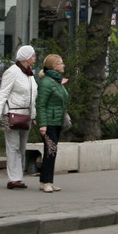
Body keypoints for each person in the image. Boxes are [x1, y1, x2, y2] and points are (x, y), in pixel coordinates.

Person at [0, 44, 38, 190]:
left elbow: (32, 95)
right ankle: (14, 178)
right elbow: (3, 94)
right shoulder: (12, 72)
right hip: (12, 114)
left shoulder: (29, 74)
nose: (35, 58)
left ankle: (19, 176)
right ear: (25, 58)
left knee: (22, 147)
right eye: (32, 56)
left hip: (26, 114)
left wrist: (34, 114)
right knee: (13, 146)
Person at [35, 54, 70, 192]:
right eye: (60, 63)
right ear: (54, 66)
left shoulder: (57, 81)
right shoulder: (46, 82)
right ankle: (46, 182)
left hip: (56, 121)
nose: (63, 65)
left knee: (51, 151)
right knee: (50, 151)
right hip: (49, 122)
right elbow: (41, 105)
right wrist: (42, 124)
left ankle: (47, 180)